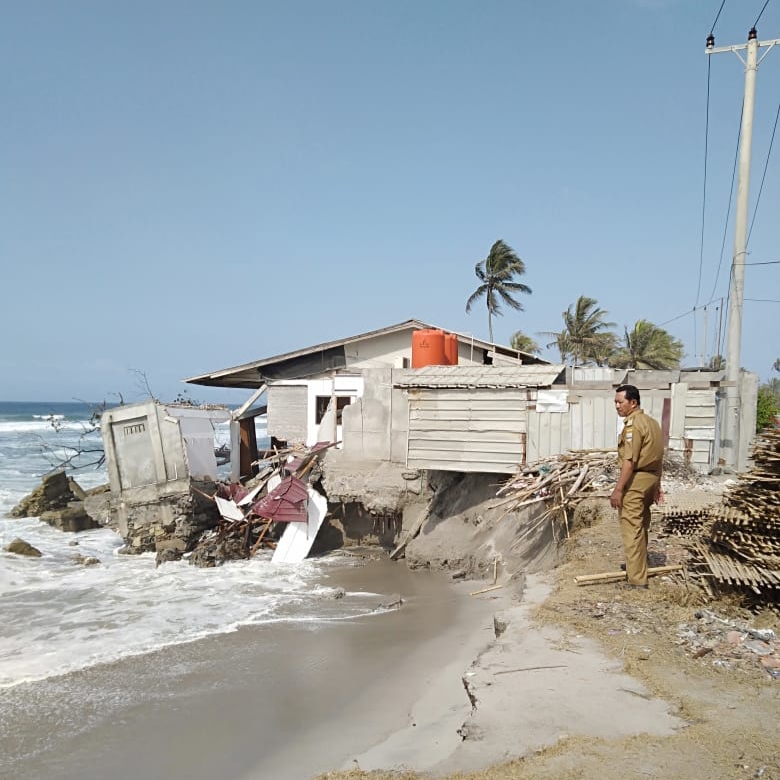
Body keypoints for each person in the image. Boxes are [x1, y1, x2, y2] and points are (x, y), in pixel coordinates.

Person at [609, 384, 664, 588]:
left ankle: (636, 580)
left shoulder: (633, 426)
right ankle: (639, 566)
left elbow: (629, 462)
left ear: (633, 402)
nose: (617, 406)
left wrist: (618, 489)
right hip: (650, 479)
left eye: (620, 402)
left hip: (637, 480)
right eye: (615, 402)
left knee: (631, 529)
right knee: (641, 526)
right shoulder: (652, 423)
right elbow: (659, 458)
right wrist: (658, 485)